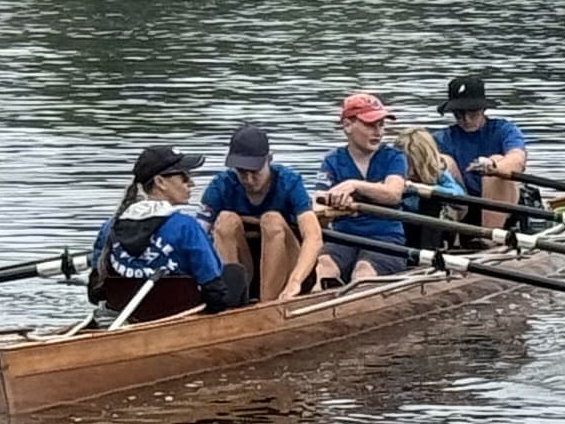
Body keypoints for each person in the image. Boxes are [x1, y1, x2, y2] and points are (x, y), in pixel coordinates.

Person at [87, 145, 248, 321]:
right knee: (235, 273)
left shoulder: (109, 228)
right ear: (160, 182)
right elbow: (215, 292)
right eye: (184, 176)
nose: (191, 183)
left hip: (126, 316)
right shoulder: (186, 227)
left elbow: (96, 293)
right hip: (180, 315)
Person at [200, 122, 322, 303]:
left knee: (271, 219)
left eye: (255, 172)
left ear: (269, 159)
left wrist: (295, 281)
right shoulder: (222, 185)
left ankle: (268, 303)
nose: (248, 180)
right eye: (242, 172)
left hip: (288, 270)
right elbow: (198, 233)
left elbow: (314, 237)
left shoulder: (288, 182)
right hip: (246, 268)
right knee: (225, 220)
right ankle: (229, 299)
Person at [315, 92, 425, 283]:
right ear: (348, 125)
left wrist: (354, 185)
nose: (378, 132)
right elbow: (318, 203)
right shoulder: (332, 160)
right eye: (370, 125)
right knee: (323, 267)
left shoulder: (393, 157)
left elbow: (393, 194)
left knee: (363, 272)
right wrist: (334, 203)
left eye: (381, 125)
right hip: (343, 238)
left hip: (386, 239)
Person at [433, 76, 529, 224]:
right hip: (461, 207)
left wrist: (493, 167)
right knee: (443, 161)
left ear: (483, 110)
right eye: (459, 114)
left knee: (497, 159)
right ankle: (452, 238)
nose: (467, 120)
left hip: (503, 207)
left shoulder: (503, 130)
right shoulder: (442, 138)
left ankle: (489, 238)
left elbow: (517, 159)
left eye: (472, 113)